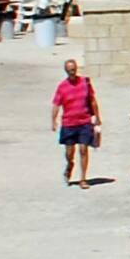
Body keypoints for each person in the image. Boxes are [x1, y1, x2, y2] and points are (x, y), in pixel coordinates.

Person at [52, 57, 101, 187]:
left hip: (84, 122)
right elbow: (56, 104)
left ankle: (83, 179)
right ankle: (70, 164)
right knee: (70, 153)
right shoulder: (62, 87)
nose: (72, 72)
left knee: (83, 149)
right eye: (69, 71)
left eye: (73, 70)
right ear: (66, 71)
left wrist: (97, 117)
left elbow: (92, 100)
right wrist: (53, 120)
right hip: (69, 124)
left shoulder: (85, 83)